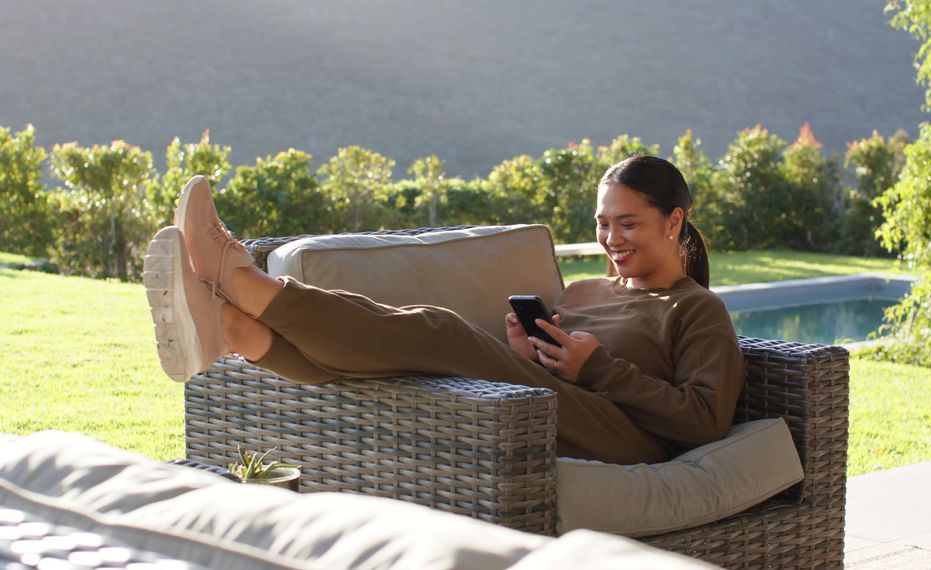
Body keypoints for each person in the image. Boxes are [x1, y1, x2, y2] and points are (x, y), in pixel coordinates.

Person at [144, 155, 744, 465]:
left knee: (441, 329)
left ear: (673, 221)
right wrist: (528, 355)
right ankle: (229, 329)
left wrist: (598, 370)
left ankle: (238, 276)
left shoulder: (697, 311)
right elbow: (565, 371)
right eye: (602, 223)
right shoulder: (585, 291)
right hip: (556, 406)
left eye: (629, 223)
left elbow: (704, 421)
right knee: (401, 361)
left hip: (630, 440)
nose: (612, 238)